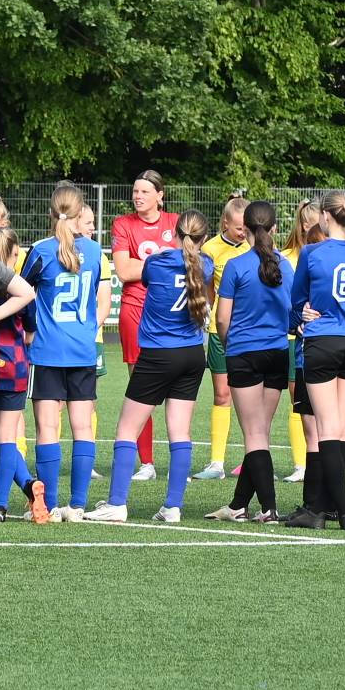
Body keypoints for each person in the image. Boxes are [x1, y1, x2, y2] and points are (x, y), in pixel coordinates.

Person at [95, 207, 212, 524]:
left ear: (175, 232)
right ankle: (172, 506)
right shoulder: (207, 265)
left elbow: (143, 277)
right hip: (192, 354)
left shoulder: (157, 262)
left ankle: (117, 503)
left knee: (126, 428)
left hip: (159, 354)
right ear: (204, 237)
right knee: (180, 431)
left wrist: (162, 251)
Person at [285, 190, 345, 530]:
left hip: (322, 341)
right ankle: (323, 511)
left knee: (325, 431)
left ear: (324, 215)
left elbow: (296, 303)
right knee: (341, 429)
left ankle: (341, 512)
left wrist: (302, 314)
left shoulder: (311, 253)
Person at [20, 185, 106, 524]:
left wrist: (29, 327)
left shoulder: (40, 250)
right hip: (83, 349)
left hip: (47, 350)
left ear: (51, 212)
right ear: (80, 210)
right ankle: (78, 506)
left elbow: (21, 293)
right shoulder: (97, 251)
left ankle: (50, 506)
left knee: (46, 429)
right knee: (83, 428)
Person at [209, 198, 293, 523]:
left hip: (245, 353)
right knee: (261, 433)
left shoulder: (235, 265)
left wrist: (233, 344)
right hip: (277, 353)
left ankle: (269, 509)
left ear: (244, 230)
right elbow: (291, 312)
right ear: (274, 229)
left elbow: (222, 319)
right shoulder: (286, 266)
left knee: (254, 434)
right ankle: (238, 505)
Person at [0, 198, 42, 523]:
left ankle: (27, 488)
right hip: (14, 367)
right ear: (14, 255)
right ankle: (6, 501)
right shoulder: (20, 291)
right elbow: (30, 332)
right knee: (8, 438)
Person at [107, 170, 180, 471]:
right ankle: (146, 462)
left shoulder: (176, 223)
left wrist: (146, 264)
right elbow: (123, 271)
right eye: (135, 191)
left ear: (160, 195)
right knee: (141, 386)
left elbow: (190, 262)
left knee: (178, 388)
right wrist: (166, 261)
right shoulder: (123, 224)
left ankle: (178, 463)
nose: (138, 196)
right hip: (135, 309)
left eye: (145, 192)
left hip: (171, 312)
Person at [201, 192, 251, 481]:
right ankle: (217, 463)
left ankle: (250, 458)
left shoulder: (253, 247)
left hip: (247, 331)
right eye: (238, 228)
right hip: (219, 331)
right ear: (224, 224)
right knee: (222, 394)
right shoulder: (210, 249)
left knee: (248, 398)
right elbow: (208, 288)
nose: (243, 232)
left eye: (246, 228)